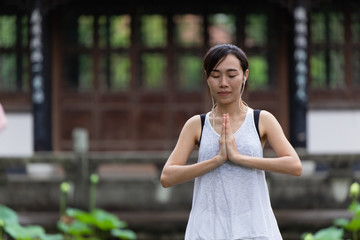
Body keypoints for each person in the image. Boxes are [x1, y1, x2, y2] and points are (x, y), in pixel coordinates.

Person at [160, 43, 302, 240]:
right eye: (216, 76)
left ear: (245, 75)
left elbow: (294, 165)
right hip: (207, 230)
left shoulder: (261, 120)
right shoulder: (197, 125)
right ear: (207, 78)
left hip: (255, 229)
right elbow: (167, 177)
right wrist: (216, 160)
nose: (223, 83)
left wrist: (239, 158)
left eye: (232, 75)